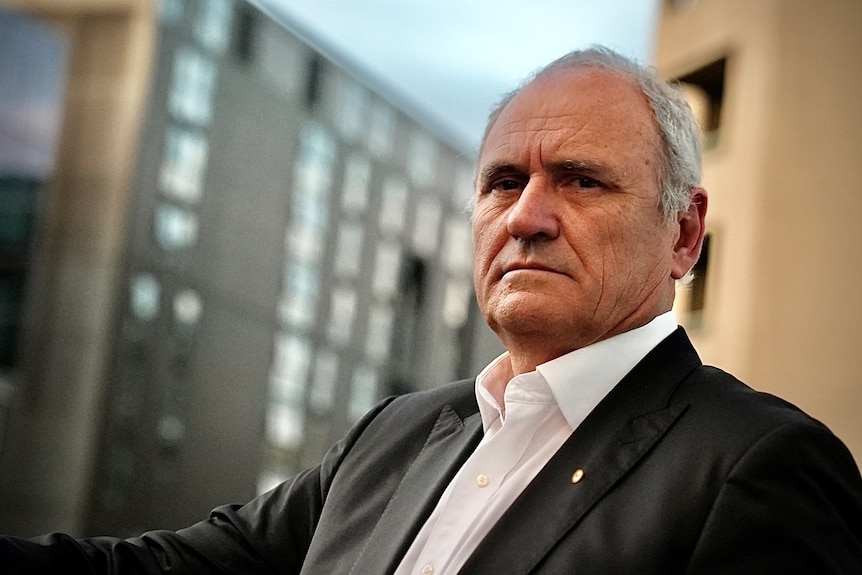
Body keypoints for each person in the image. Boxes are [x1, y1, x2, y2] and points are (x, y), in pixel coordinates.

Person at [3, 46, 862, 574]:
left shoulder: (759, 466)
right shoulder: (398, 434)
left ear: (683, 232)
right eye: (503, 182)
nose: (527, 214)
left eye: (580, 179)